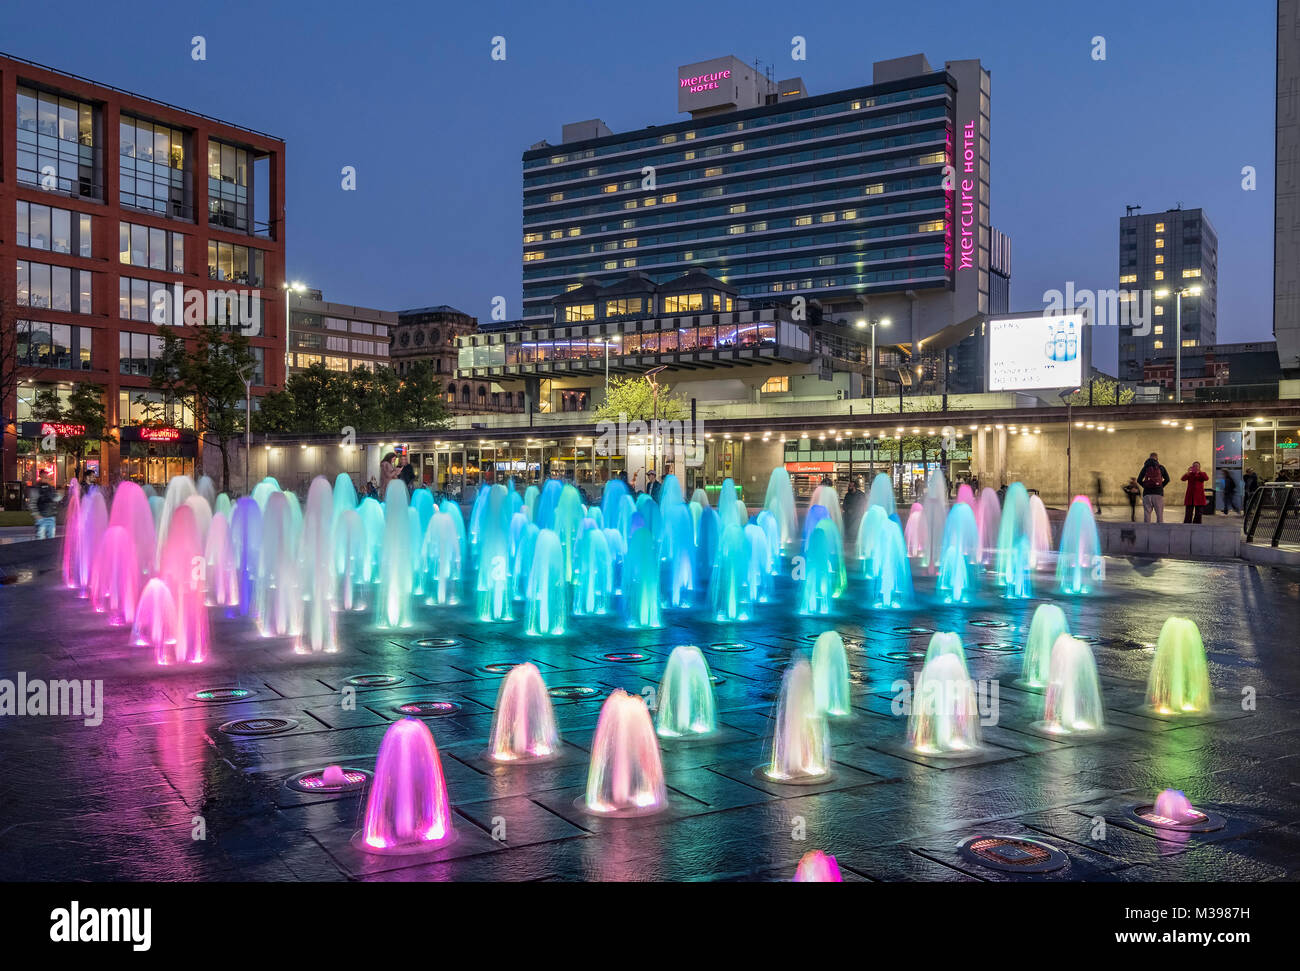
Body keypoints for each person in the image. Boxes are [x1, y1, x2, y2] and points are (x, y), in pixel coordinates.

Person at [1137, 452, 1171, 523]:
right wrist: (1160, 486)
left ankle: (1146, 532)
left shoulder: (1145, 467)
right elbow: (1167, 479)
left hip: (1147, 494)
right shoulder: (1161, 467)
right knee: (1159, 516)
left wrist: (1145, 486)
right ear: (1157, 458)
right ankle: (1159, 532)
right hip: (1158, 494)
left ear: (1149, 458)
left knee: (1147, 515)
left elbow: (1139, 480)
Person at [30, 476, 58, 540]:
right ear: (41, 478)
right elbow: (32, 502)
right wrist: (36, 514)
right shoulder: (37, 488)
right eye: (45, 478)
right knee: (40, 538)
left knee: (51, 538)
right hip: (42, 517)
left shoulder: (51, 488)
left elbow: (54, 499)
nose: (47, 480)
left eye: (47, 478)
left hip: (51, 517)